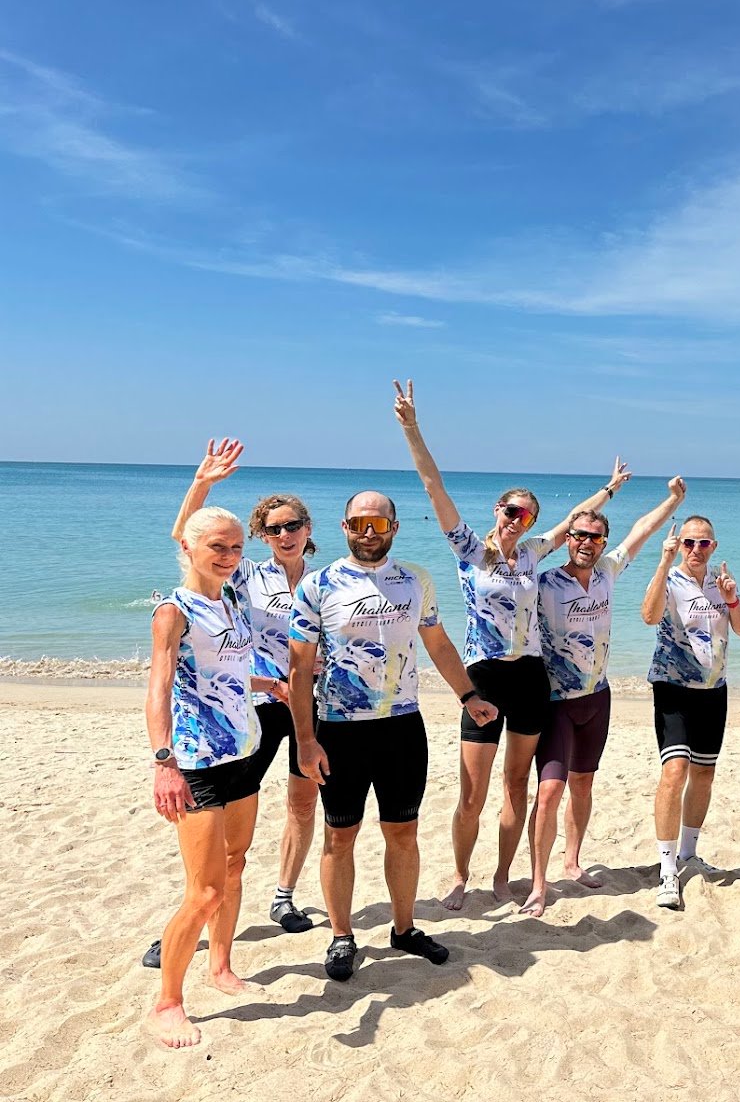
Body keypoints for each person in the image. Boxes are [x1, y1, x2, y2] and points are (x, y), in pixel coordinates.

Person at [392, 380, 629, 910]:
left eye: (526, 515)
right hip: (484, 677)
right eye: (510, 510)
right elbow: (434, 488)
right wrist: (412, 429)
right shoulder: (469, 552)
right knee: (472, 794)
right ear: (497, 509)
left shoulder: (534, 553)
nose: (516, 519)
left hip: (530, 679)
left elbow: (576, 522)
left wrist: (609, 490)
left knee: (516, 784)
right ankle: (460, 876)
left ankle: (502, 876)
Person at [288, 491, 499, 982]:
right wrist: (305, 740)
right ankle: (342, 936)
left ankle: (404, 929)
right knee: (340, 836)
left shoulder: (415, 580)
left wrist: (469, 695)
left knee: (403, 833)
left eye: (379, 524)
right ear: (344, 527)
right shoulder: (318, 585)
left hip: (402, 727)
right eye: (360, 523)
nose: (369, 532)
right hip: (339, 729)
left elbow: (438, 643)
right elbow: (299, 669)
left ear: (395, 528)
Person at [169, 439, 322, 935]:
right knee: (221, 822)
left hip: (309, 704)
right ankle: (193, 916)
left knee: (302, 803)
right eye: (273, 528)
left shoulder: (326, 582)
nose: (284, 535)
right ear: (262, 535)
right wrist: (202, 484)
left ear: (308, 529)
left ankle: (284, 897)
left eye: (292, 525)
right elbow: (186, 541)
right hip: (256, 706)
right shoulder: (246, 575)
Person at [525, 477, 685, 915]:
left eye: (595, 537)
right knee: (549, 792)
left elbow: (642, 530)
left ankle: (572, 861)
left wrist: (673, 500)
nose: (586, 543)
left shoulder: (608, 573)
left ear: (603, 543)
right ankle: (538, 883)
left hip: (597, 698)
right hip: (556, 703)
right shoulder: (543, 583)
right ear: (567, 539)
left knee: (583, 784)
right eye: (578, 535)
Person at [143, 507, 260, 1049]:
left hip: (242, 755)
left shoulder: (229, 597)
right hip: (195, 763)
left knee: (235, 866)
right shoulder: (173, 611)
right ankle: (167, 1003)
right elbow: (160, 687)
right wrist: (164, 763)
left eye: (236, 547)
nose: (229, 556)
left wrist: (270, 685)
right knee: (204, 891)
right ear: (187, 548)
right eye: (217, 546)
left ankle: (220, 966)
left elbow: (223, 672)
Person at [642, 514, 740, 909]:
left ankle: (689, 853)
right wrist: (663, 561)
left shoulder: (721, 583)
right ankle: (667, 868)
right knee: (674, 772)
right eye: (689, 543)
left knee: (704, 773)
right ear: (680, 545)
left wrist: (732, 598)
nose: (695, 549)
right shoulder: (670, 580)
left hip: (713, 691)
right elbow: (649, 616)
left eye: (703, 543)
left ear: (713, 547)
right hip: (673, 688)